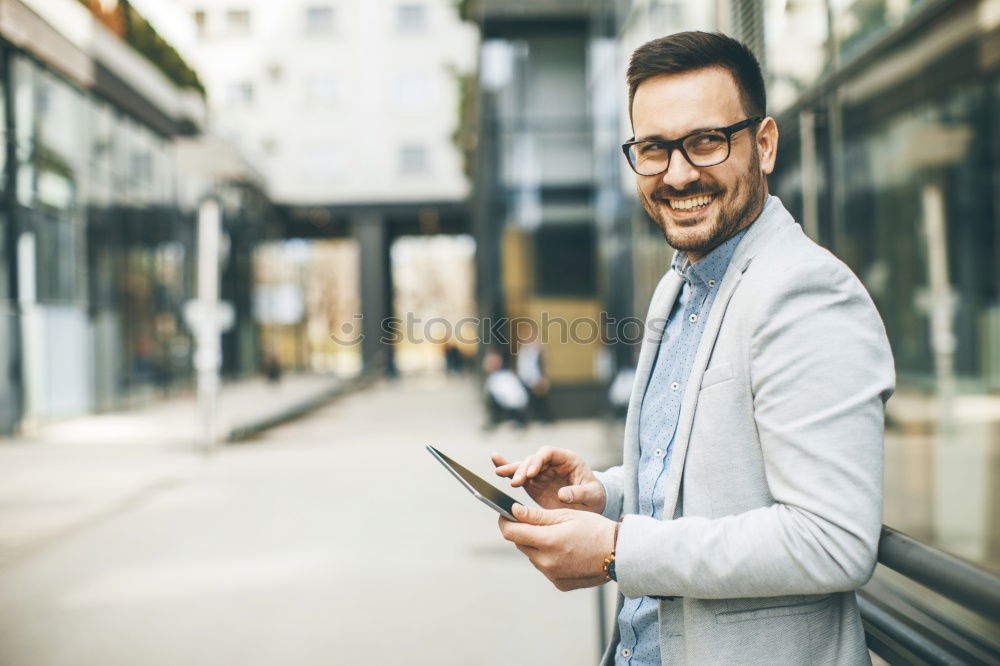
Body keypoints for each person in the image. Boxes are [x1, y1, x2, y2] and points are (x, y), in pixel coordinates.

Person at [492, 31, 895, 665]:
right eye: (654, 148)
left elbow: (831, 539)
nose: (678, 174)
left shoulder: (806, 293)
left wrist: (617, 548)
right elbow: (711, 485)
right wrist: (604, 495)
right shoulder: (678, 288)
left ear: (762, 145)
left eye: (706, 141)